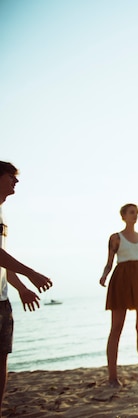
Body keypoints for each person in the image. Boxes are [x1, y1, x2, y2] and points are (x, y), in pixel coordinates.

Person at [0, 161, 53, 415]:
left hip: (2, 300)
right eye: (12, 176)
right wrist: (31, 273)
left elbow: (3, 260)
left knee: (2, 361)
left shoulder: (2, 215)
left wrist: (20, 288)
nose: (16, 182)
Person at [99, 203, 138, 386]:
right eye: (131, 213)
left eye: (137, 213)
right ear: (123, 216)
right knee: (116, 328)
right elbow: (109, 262)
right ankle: (113, 376)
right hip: (122, 280)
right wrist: (104, 275)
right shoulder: (116, 238)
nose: (135, 215)